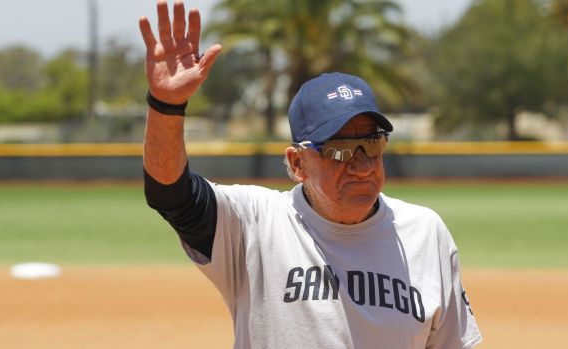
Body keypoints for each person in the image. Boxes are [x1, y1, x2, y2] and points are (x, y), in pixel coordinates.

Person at [139, 1, 483, 348]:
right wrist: (167, 106)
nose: (363, 166)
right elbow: (171, 194)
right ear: (298, 163)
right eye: (340, 150)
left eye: (372, 144)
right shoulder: (254, 223)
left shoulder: (425, 233)